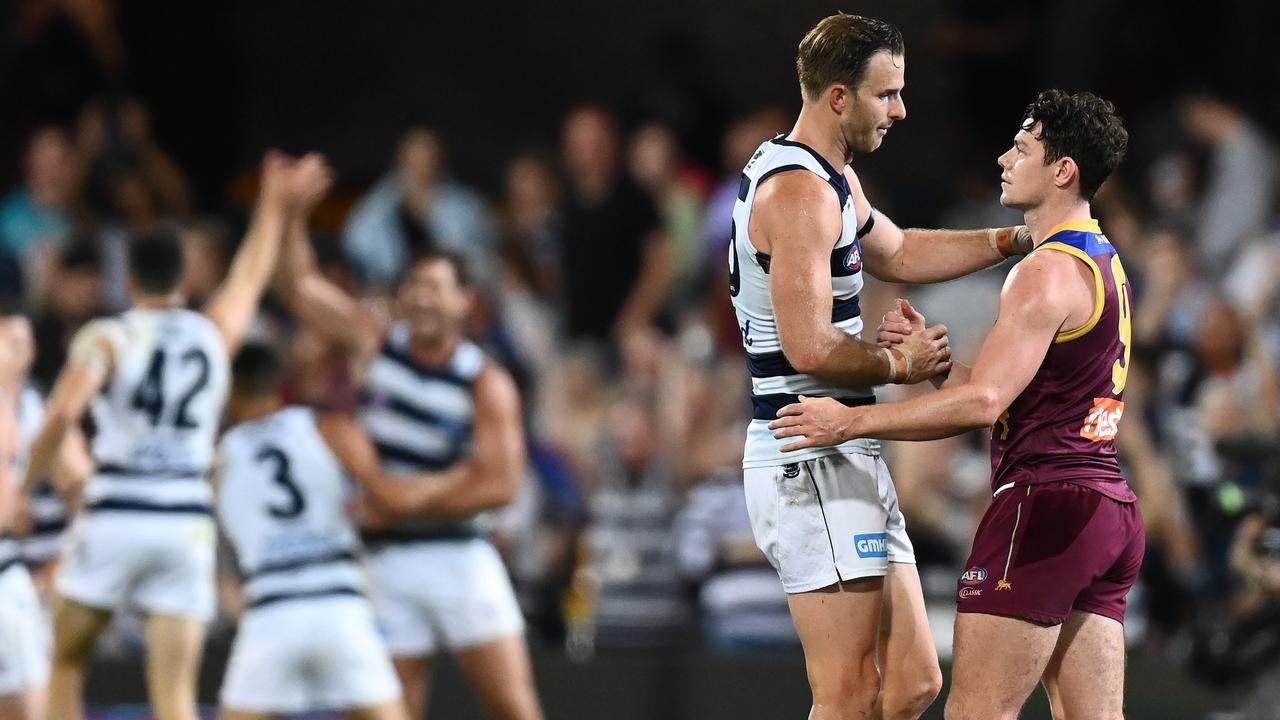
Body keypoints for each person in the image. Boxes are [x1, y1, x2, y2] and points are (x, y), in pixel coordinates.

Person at [770, 89, 1140, 720]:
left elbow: (985, 403)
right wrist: (938, 366)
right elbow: (1022, 396)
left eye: (1021, 147)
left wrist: (850, 420)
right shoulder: (1104, 262)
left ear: (1063, 170)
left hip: (1042, 504)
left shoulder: (1043, 270)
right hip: (1107, 510)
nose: (1002, 158)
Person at [728, 13, 1038, 719]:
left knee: (913, 684)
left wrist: (1018, 236)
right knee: (846, 693)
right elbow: (809, 348)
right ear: (839, 96)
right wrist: (902, 363)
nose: (901, 110)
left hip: (839, 445)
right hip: (805, 448)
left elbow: (898, 254)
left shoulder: (827, 174)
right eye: (886, 94)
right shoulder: (801, 194)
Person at [19, 151, 320, 720]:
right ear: (183, 279)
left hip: (115, 513)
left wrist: (19, 485)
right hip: (185, 522)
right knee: (176, 695)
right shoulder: (211, 333)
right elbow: (250, 273)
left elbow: (60, 417)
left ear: (128, 281)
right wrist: (273, 207)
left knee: (63, 666)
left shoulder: (108, 336)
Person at [278, 200, 542, 720]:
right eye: (414, 286)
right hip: (384, 561)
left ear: (465, 301)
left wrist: (404, 499)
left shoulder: (485, 381)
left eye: (436, 288)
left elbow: (501, 486)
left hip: (461, 556)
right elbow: (299, 289)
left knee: (514, 706)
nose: (422, 299)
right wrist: (287, 217)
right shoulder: (373, 343)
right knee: (389, 711)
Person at [214, 343, 406, 720]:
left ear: (232, 393)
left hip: (271, 609)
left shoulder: (221, 457)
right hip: (339, 604)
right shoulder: (329, 428)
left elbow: (221, 567)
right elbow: (383, 501)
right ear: (279, 385)